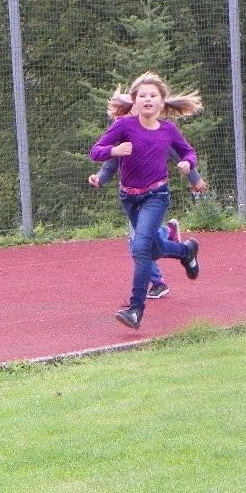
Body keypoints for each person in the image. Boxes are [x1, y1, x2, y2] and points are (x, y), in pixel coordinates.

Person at [90, 72, 202, 329]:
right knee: (153, 249)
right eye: (142, 96)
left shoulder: (168, 130)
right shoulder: (123, 126)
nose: (148, 99)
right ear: (134, 101)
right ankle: (187, 251)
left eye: (153, 95)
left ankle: (135, 310)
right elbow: (96, 151)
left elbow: (187, 152)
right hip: (129, 198)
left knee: (140, 248)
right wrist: (114, 151)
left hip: (156, 195)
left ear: (162, 102)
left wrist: (188, 164)